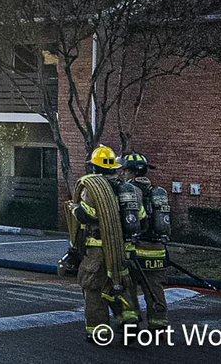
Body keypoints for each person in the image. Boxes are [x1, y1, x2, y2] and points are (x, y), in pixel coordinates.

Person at [68, 145, 142, 342]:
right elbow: (140, 218)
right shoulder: (128, 189)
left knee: (93, 289)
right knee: (121, 285)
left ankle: (98, 332)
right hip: (124, 248)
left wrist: (74, 208)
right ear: (114, 168)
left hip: (99, 249)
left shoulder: (92, 188)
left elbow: (88, 216)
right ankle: (129, 321)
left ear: (93, 167)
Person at [122, 152, 169, 331]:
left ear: (131, 172)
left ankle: (131, 322)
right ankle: (159, 324)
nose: (123, 174)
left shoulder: (128, 192)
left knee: (128, 286)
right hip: (158, 249)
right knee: (155, 288)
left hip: (136, 248)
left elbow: (126, 221)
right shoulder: (156, 192)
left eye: (125, 170)